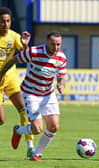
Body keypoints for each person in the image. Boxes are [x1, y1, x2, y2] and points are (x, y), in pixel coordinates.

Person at [0, 31, 67, 161]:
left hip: (48, 94)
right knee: (37, 129)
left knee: (54, 127)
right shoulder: (34, 52)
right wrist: (1, 73)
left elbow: (61, 76)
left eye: (58, 44)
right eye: (53, 44)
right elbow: (14, 59)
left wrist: (60, 84)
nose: (56, 47)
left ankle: (36, 154)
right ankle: (18, 130)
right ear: (47, 42)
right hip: (30, 93)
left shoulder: (61, 58)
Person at [0, 7, 34, 157]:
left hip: (10, 79)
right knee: (1, 119)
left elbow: (28, 55)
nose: (6, 24)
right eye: (2, 21)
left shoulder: (14, 36)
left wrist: (25, 44)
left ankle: (30, 147)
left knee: (23, 110)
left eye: (7, 21)